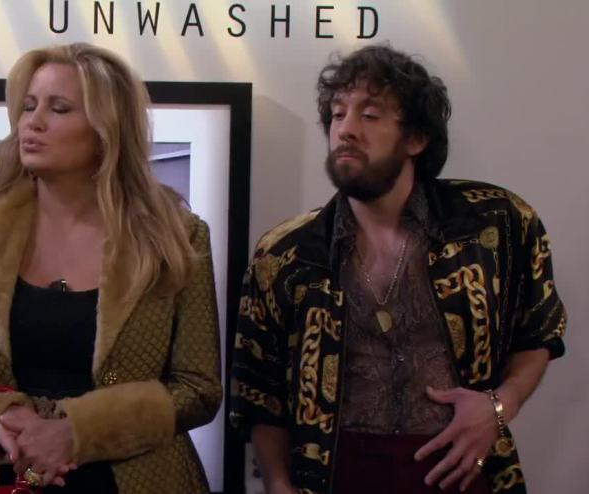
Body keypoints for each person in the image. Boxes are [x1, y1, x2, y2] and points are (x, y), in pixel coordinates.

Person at [230, 45, 566, 494]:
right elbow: (260, 390)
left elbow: (538, 332)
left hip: (464, 470)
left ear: (416, 138)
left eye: (370, 115)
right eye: (338, 113)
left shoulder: (495, 225)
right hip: (335, 474)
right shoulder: (285, 254)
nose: (346, 129)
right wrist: (277, 483)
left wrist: (499, 406)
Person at [0, 42, 222, 493]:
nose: (33, 122)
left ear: (106, 129)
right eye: (29, 106)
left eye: (58, 109)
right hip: (10, 474)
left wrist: (77, 432)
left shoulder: (174, 236)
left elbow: (198, 388)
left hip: (140, 480)